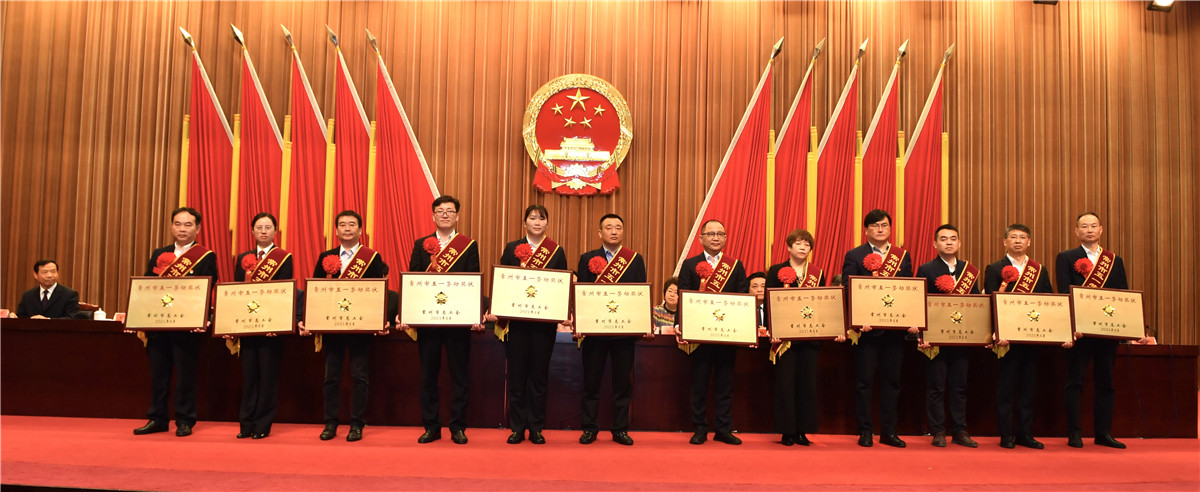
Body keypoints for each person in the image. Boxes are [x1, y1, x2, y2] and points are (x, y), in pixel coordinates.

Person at [300, 210, 388, 442]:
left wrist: (378, 319)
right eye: (342, 224)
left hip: (360, 327)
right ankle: (330, 423)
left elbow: (377, 291)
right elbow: (317, 290)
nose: (347, 228)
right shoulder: (326, 256)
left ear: (360, 230)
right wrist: (311, 319)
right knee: (331, 377)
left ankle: (357, 424)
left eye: (352, 224)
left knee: (360, 377)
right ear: (336, 230)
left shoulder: (371, 257)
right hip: (333, 327)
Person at [131, 207, 218, 437]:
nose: (182, 229)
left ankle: (185, 420)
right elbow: (148, 285)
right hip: (159, 324)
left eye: (188, 224)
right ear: (171, 227)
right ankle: (157, 418)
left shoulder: (205, 256)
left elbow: (207, 287)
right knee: (158, 375)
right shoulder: (160, 253)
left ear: (198, 228)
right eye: (178, 224)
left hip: (186, 326)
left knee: (185, 376)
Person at [402, 196, 483, 445]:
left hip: (458, 321)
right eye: (440, 211)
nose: (445, 214)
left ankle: (458, 427)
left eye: (450, 211)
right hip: (429, 321)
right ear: (433, 216)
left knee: (460, 376)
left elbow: (473, 281)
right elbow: (414, 279)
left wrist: (474, 313)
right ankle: (431, 427)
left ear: (457, 216)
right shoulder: (421, 244)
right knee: (428, 375)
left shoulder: (468, 245)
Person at [1056, 212, 1137, 449]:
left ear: (1101, 229)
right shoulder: (1066, 257)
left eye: (1093, 226)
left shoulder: (1114, 260)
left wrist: (1124, 327)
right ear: (1076, 231)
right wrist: (1072, 326)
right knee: (1075, 382)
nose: (1089, 230)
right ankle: (1074, 432)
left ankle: (1103, 433)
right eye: (1084, 226)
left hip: (1106, 332)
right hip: (1079, 333)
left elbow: (1122, 294)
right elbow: (1064, 293)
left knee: (1106, 383)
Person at [488, 204, 568, 445]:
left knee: (538, 377)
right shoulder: (512, 248)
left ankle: (536, 428)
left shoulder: (556, 252)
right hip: (517, 325)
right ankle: (517, 428)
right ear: (525, 223)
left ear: (547, 223)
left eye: (541, 218)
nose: (537, 222)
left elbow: (560, 286)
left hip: (543, 326)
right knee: (517, 377)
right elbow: (503, 281)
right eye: (532, 218)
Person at [842, 209, 917, 448]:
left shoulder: (902, 256)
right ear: (866, 230)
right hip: (867, 332)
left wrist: (911, 319)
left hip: (894, 332)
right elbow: (848, 290)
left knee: (892, 382)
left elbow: (908, 290)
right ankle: (865, 431)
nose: (880, 229)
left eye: (884, 225)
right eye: (874, 225)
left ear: (890, 228)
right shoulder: (855, 255)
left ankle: (888, 431)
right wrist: (858, 319)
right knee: (864, 382)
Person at [572, 213, 648, 446]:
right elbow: (582, 294)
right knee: (591, 382)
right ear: (600, 232)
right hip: (595, 333)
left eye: (618, 227)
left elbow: (640, 294)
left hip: (623, 332)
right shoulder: (588, 258)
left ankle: (620, 429)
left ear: (623, 232)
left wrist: (642, 323)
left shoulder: (634, 260)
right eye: (608, 227)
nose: (614, 231)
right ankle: (589, 428)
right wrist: (580, 323)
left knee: (622, 383)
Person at [676, 219, 748, 445]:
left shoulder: (735, 266)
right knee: (699, 384)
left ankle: (723, 429)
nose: (716, 238)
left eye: (720, 234)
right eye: (711, 234)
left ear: (725, 238)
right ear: (701, 239)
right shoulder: (690, 264)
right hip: (700, 335)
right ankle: (700, 429)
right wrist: (680, 325)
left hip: (727, 335)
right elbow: (682, 295)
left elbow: (743, 298)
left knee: (725, 384)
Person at [984, 223, 1053, 450]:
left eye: (1022, 237)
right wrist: (996, 332)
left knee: (1028, 388)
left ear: (1029, 242)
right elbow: (990, 303)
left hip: (1032, 338)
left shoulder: (1039, 270)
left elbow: (1049, 301)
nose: (1018, 241)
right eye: (1013, 237)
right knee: (1006, 388)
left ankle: (1025, 434)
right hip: (1006, 339)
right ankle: (1006, 435)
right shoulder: (994, 268)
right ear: (1005, 241)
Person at [229, 212, 293, 440]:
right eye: (259, 227)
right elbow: (237, 292)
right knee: (249, 377)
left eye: (268, 227)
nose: (263, 231)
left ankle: (263, 424)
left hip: (271, 328)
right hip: (248, 326)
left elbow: (283, 293)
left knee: (267, 377)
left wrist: (277, 321)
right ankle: (246, 424)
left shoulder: (284, 258)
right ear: (252, 231)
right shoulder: (243, 258)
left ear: (275, 231)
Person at [915, 224, 980, 448]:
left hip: (962, 336)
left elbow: (977, 305)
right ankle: (938, 431)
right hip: (936, 338)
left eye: (953, 238)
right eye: (943, 239)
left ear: (959, 243)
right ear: (935, 244)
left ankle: (960, 430)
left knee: (959, 386)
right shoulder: (926, 269)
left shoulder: (969, 271)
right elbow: (919, 303)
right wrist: (922, 334)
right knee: (936, 386)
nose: (949, 242)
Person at [765, 228, 830, 446]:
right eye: (798, 243)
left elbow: (822, 304)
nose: (803, 248)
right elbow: (770, 302)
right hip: (785, 339)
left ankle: (803, 430)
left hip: (810, 337)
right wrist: (773, 330)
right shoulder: (776, 271)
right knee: (786, 384)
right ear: (789, 247)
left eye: (807, 244)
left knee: (807, 384)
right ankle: (787, 431)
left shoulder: (817, 274)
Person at [16, 259, 80, 319]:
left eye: (53, 272)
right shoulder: (28, 295)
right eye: (45, 272)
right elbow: (21, 317)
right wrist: (14, 317)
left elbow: (72, 318)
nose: (50, 275)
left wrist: (48, 320)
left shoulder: (69, 294)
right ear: (35, 275)